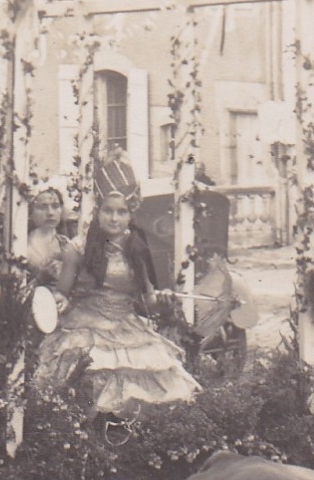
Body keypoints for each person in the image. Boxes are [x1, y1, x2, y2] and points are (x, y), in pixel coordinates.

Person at [37, 153, 200, 415]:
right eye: (108, 211)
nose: (114, 218)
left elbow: (148, 301)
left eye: (121, 212)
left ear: (130, 213)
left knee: (146, 392)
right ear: (98, 211)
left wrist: (165, 299)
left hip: (127, 328)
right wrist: (58, 301)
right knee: (90, 388)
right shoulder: (77, 248)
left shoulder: (136, 246)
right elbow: (63, 293)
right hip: (86, 326)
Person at [26, 186, 80, 308]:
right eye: (42, 207)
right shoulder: (22, 246)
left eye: (55, 206)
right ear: (30, 212)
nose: (50, 213)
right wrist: (40, 278)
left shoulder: (67, 244)